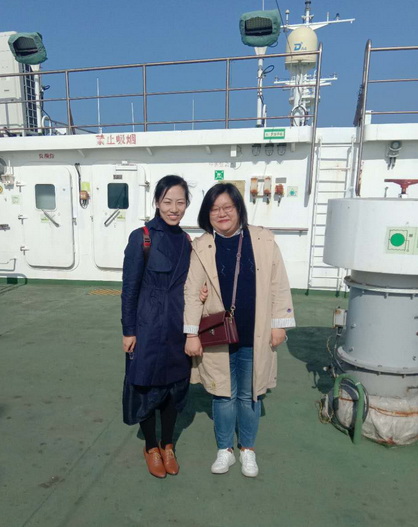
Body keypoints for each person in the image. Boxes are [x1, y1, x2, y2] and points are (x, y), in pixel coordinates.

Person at [184, 183, 295, 478]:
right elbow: (192, 291)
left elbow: (279, 284)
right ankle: (225, 449)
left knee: (250, 394)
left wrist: (279, 325)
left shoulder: (263, 240)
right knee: (222, 394)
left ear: (238, 209)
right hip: (217, 335)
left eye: (227, 207)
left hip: (254, 334)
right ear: (207, 214)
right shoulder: (202, 246)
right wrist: (191, 334)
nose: (221, 214)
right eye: (214, 209)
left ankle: (247, 449)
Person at [121, 175, 192, 479]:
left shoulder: (187, 241)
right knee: (147, 386)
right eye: (168, 202)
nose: (174, 208)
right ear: (157, 202)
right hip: (147, 326)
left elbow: (191, 283)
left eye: (180, 202)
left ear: (186, 204)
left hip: (178, 325)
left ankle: (168, 444)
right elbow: (129, 288)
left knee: (174, 387)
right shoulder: (142, 237)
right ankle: (151, 446)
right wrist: (128, 330)